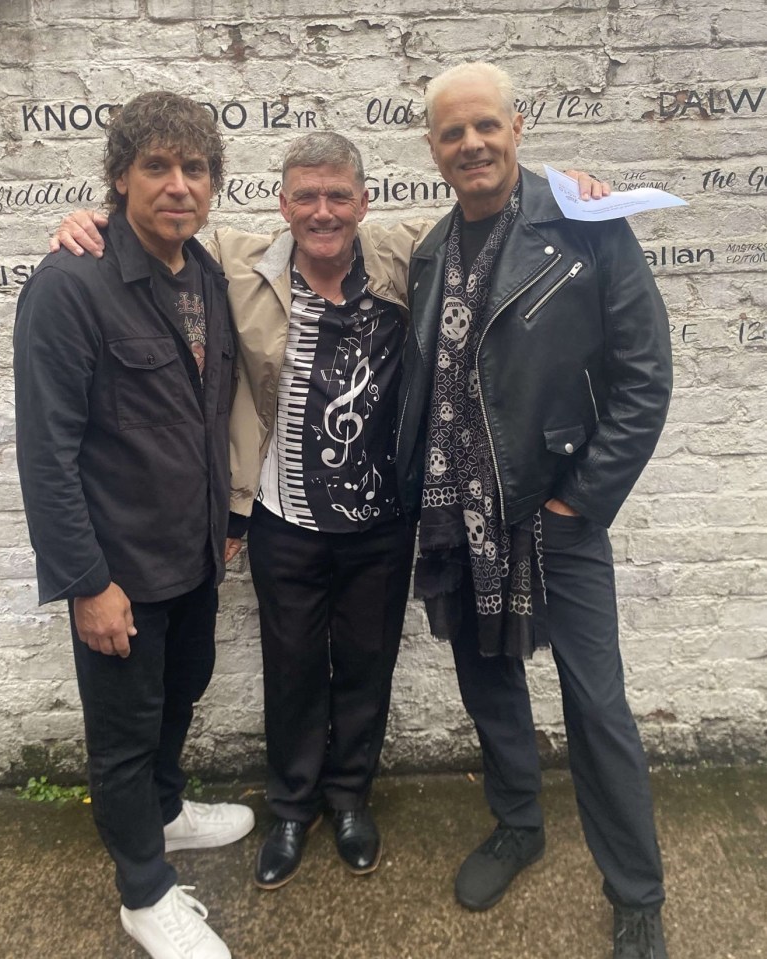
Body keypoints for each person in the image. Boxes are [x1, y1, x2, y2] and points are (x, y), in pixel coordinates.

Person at [50, 135, 606, 892]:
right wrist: (89, 221)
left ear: (364, 202)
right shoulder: (236, 262)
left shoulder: (407, 253)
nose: (322, 211)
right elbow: (154, 229)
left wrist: (563, 189)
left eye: (338, 195)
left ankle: (349, 799)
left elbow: (490, 206)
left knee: (366, 668)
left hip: (383, 521)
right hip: (283, 521)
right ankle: (290, 807)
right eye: (305, 196)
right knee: (294, 669)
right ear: (281, 205)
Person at [395, 62, 672, 959]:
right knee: (489, 680)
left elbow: (643, 377)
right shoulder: (433, 248)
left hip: (555, 511)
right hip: (457, 513)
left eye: (485, 126)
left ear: (517, 127)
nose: (470, 144)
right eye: (451, 133)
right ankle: (519, 822)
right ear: (433, 150)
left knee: (597, 705)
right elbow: (306, 234)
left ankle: (636, 893)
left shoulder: (585, 223)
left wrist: (576, 500)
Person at [14, 91, 254, 959]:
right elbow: (47, 450)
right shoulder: (71, 285)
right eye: (156, 166)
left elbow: (207, 412)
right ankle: (144, 895)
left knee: (178, 695)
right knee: (121, 734)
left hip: (190, 555)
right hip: (116, 570)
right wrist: (86, 583)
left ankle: (164, 812)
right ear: (119, 178)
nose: (178, 185)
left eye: (195, 168)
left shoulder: (208, 278)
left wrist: (227, 521)